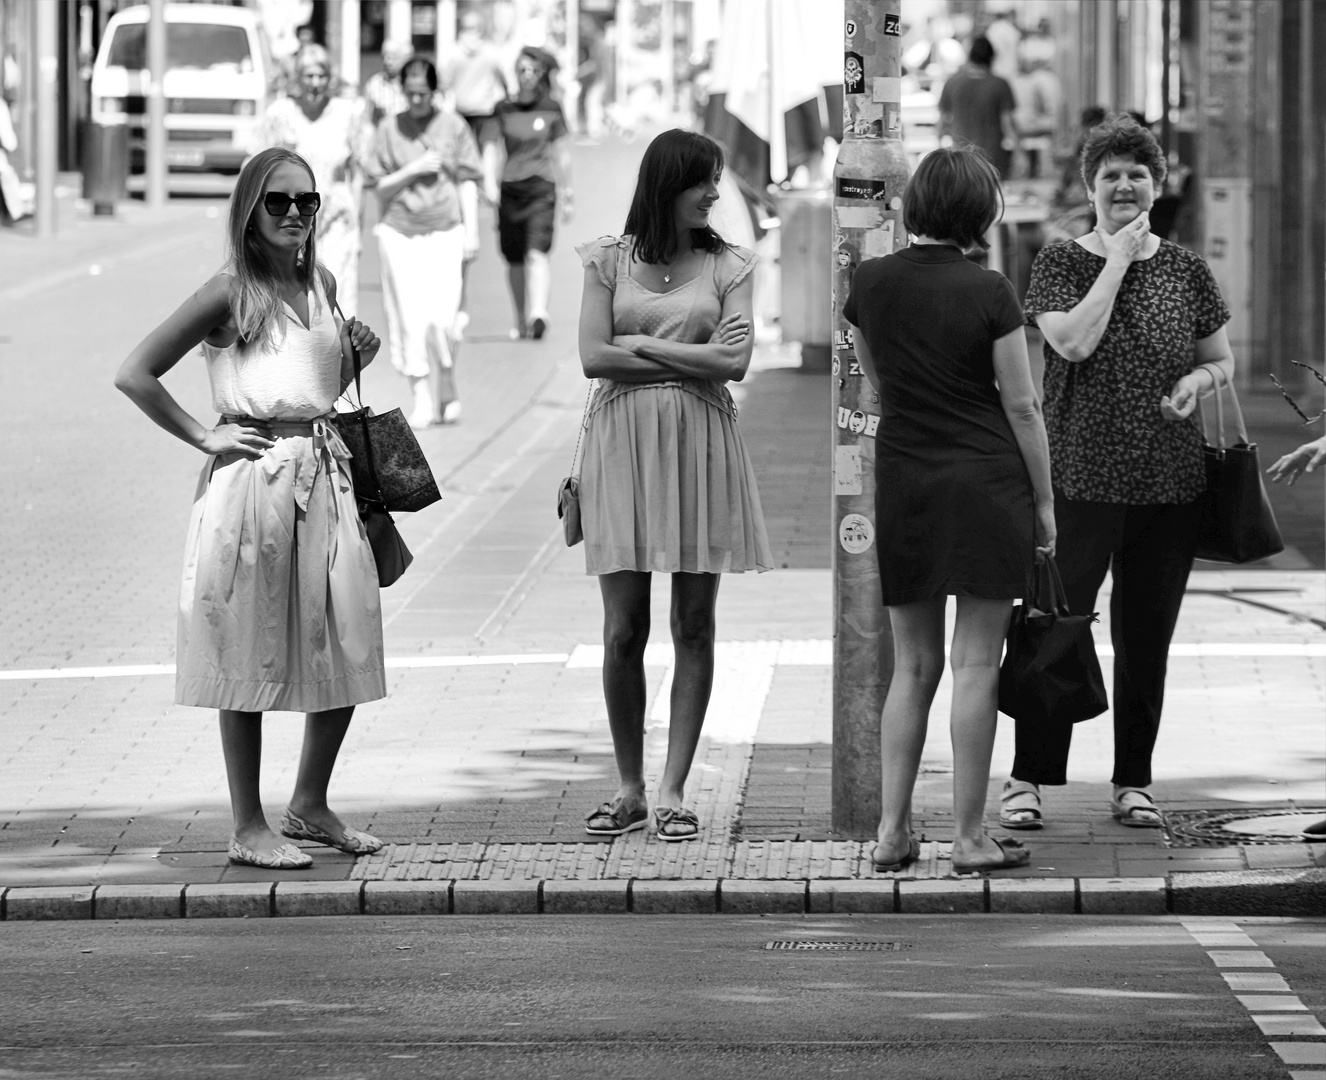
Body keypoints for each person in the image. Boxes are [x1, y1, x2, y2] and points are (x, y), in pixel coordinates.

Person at [113, 148, 387, 870]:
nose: (295, 212)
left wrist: (361, 353)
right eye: (278, 201)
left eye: (307, 200)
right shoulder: (230, 291)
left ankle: (309, 802)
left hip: (324, 476)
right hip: (254, 485)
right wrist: (205, 433)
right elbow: (134, 372)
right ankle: (247, 824)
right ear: (249, 211)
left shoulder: (319, 281)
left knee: (349, 630)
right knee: (250, 645)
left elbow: (311, 380)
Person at [998, 114, 1236, 833]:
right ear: (1090, 187)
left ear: (1159, 186)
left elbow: (1219, 357)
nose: (1126, 185)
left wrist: (1200, 383)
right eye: (1112, 175)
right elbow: (1069, 343)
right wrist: (1118, 263)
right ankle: (1029, 777)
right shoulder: (1063, 261)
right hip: (1079, 479)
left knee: (1147, 639)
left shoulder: (1189, 269)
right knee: (1053, 628)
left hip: (1170, 482)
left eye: (1139, 174)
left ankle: (1134, 779)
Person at [842, 147, 1054, 874]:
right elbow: (1022, 406)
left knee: (913, 666)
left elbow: (876, 384)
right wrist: (1047, 502)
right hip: (989, 483)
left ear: (915, 206)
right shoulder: (992, 290)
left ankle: (893, 833)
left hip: (908, 484)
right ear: (979, 213)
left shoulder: (868, 283)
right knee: (975, 664)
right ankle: (968, 838)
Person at [576, 129, 772, 843]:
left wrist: (646, 347)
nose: (716, 196)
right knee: (624, 628)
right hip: (621, 450)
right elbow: (593, 357)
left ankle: (674, 789)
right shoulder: (606, 260)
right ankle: (629, 787)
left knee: (694, 624)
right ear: (669, 184)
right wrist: (692, 356)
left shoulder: (730, 265)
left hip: (700, 448)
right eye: (705, 183)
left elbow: (737, 362)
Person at [365, 57, 482, 429]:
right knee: (410, 318)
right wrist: (413, 170)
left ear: (435, 92)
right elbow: (377, 185)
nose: (416, 101)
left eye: (423, 94)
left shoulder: (453, 125)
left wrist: (472, 232)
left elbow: (467, 178)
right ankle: (421, 395)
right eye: (410, 93)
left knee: (444, 317)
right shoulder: (388, 128)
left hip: (446, 229)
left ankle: (446, 378)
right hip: (400, 232)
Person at [253, 44, 370, 312]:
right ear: (298, 78)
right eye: (308, 76)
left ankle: (341, 352)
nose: (315, 83)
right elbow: (258, 170)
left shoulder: (347, 113)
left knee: (338, 295)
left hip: (336, 219)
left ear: (331, 79)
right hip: (290, 217)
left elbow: (358, 172)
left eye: (321, 76)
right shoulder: (280, 113)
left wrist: (358, 226)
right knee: (295, 293)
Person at [490, 46, 573, 340]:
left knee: (537, 252)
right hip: (510, 189)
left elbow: (561, 152)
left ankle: (539, 313)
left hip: (541, 188)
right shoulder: (503, 108)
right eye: (522, 70)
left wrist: (568, 191)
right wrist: (490, 184)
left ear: (540, 75)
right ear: (516, 73)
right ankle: (519, 319)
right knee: (514, 258)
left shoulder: (551, 106)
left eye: (533, 71)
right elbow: (491, 147)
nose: (527, 76)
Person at [937, 36, 1020, 179]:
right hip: (993, 159)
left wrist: (939, 153)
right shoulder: (1000, 84)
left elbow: (942, 122)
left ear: (970, 56)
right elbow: (1008, 124)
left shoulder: (952, 83)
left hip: (961, 159)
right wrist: (1020, 153)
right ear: (992, 58)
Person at [364, 39, 413, 128]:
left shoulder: (415, 84)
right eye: (384, 57)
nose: (387, 62)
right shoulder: (374, 84)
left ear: (405, 59)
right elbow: (367, 119)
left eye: (393, 57)